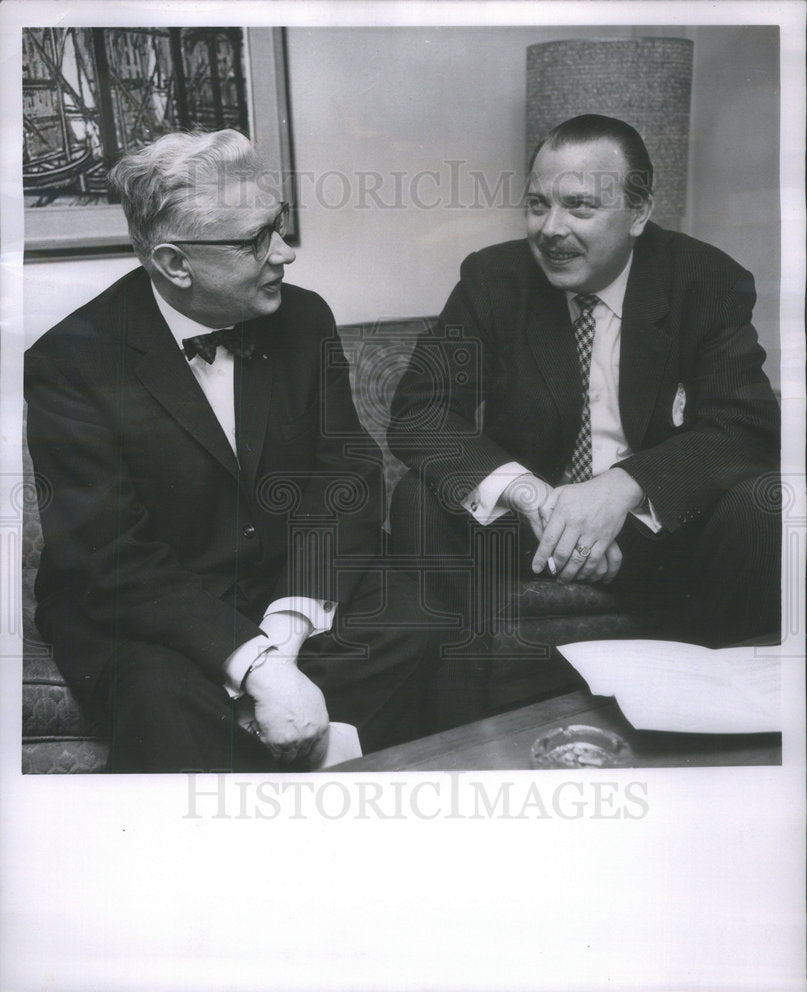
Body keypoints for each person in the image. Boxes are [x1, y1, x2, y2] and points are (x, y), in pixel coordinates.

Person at [25, 129, 443, 773]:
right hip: (148, 608)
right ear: (174, 263)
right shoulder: (68, 362)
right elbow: (110, 558)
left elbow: (347, 477)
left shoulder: (303, 319)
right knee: (162, 699)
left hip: (281, 586)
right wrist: (257, 665)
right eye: (255, 241)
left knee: (414, 625)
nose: (285, 253)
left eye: (277, 224)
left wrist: (291, 622)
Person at [389, 114, 780, 648]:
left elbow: (746, 426)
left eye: (579, 206)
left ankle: (710, 690)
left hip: (658, 528)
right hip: (530, 523)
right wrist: (529, 495)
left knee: (763, 502)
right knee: (417, 498)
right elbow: (421, 411)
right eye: (537, 204)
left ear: (638, 211)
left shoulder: (702, 280)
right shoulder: (495, 279)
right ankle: (470, 694)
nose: (550, 229)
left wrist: (620, 489)